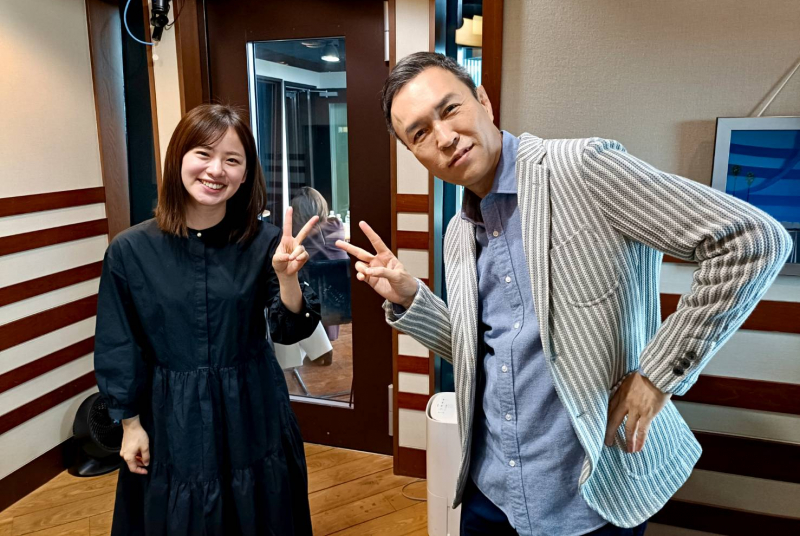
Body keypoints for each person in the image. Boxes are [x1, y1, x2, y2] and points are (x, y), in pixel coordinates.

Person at [337, 53, 792, 536]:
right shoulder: (458, 233)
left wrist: (658, 375)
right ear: (415, 154)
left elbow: (753, 240)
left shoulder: (582, 169)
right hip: (491, 490)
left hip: (590, 493)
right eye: (420, 134)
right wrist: (412, 297)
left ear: (484, 101)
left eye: (450, 109)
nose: (444, 137)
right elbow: (487, 352)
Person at [94, 104, 321, 536]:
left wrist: (287, 279)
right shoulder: (130, 250)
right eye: (203, 154)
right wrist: (129, 424)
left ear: (245, 173)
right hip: (171, 416)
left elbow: (292, 327)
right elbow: (118, 344)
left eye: (232, 160)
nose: (216, 170)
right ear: (178, 158)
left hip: (251, 407)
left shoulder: (266, 242)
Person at [291, 186, 349, 362]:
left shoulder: (296, 236)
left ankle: (317, 348)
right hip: (340, 300)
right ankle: (324, 346)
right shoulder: (337, 225)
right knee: (325, 282)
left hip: (313, 303)